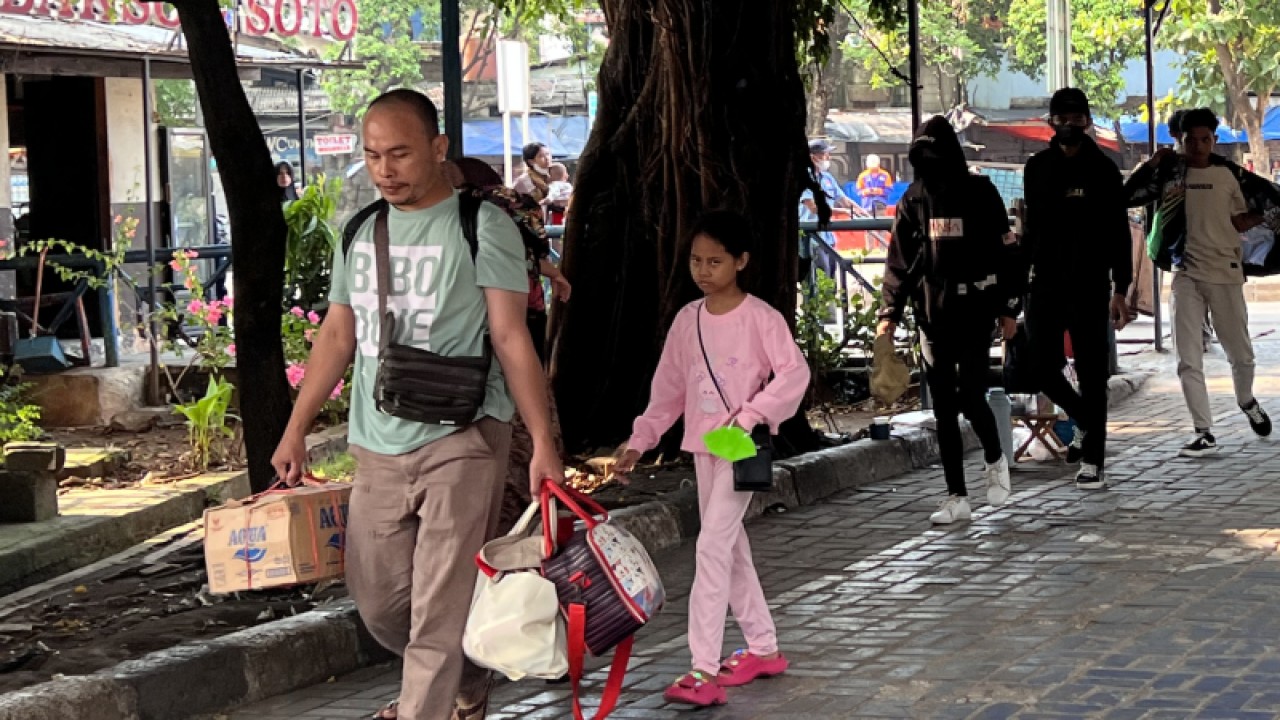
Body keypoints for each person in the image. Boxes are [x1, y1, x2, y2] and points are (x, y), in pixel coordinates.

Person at [269, 89, 562, 720]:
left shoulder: (482, 225)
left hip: (464, 436)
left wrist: (541, 442)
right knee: (379, 601)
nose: (385, 170)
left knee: (437, 606)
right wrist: (295, 429)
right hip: (375, 441)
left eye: (400, 153)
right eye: (373, 156)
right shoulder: (362, 229)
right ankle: (466, 674)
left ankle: (422, 706)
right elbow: (337, 335)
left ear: (437, 148)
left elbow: (512, 338)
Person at [615, 209, 809, 708]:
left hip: (740, 444)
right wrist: (641, 439)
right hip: (704, 444)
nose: (703, 270)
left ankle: (703, 667)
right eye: (697, 260)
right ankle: (763, 647)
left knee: (713, 547)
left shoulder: (763, 318)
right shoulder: (687, 319)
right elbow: (669, 388)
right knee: (729, 545)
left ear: (741, 261)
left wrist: (752, 414)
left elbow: (794, 375)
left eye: (715, 261)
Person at [878, 116, 1019, 525]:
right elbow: (898, 263)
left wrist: (1009, 309)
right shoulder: (914, 199)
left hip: (975, 310)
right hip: (932, 314)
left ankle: (995, 460)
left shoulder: (980, 192)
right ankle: (956, 495)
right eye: (923, 156)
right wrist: (889, 313)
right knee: (942, 407)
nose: (931, 163)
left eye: (936, 154)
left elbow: (1006, 252)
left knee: (972, 397)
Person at [1125, 108, 1274, 457]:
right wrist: (1150, 165)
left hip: (1225, 273)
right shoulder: (1169, 175)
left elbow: (1239, 220)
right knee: (1187, 357)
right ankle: (1203, 430)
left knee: (1241, 353)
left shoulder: (1228, 176)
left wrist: (1260, 217)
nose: (1197, 145)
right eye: (1190, 139)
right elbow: (1127, 196)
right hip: (1185, 275)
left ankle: (1247, 400)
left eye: (1204, 139)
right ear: (1179, 141)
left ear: (1214, 141)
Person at [1021, 88, 1132, 490]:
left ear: (1088, 121)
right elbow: (1030, 233)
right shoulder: (1037, 167)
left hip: (1089, 285)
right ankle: (1085, 420)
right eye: (1061, 118)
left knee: (1092, 374)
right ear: (1050, 121)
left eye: (1076, 118)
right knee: (1038, 367)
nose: (1069, 125)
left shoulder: (1104, 169)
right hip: (1045, 284)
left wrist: (1122, 288)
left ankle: (1094, 460)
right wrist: (1017, 288)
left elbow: (1119, 233)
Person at [800, 139, 857, 283]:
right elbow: (813, 208)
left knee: (831, 275)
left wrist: (861, 211)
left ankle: (830, 303)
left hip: (828, 236)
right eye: (825, 155)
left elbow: (843, 199)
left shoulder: (827, 178)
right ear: (813, 157)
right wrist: (842, 212)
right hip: (812, 236)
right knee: (819, 276)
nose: (828, 158)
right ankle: (818, 305)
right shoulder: (804, 178)